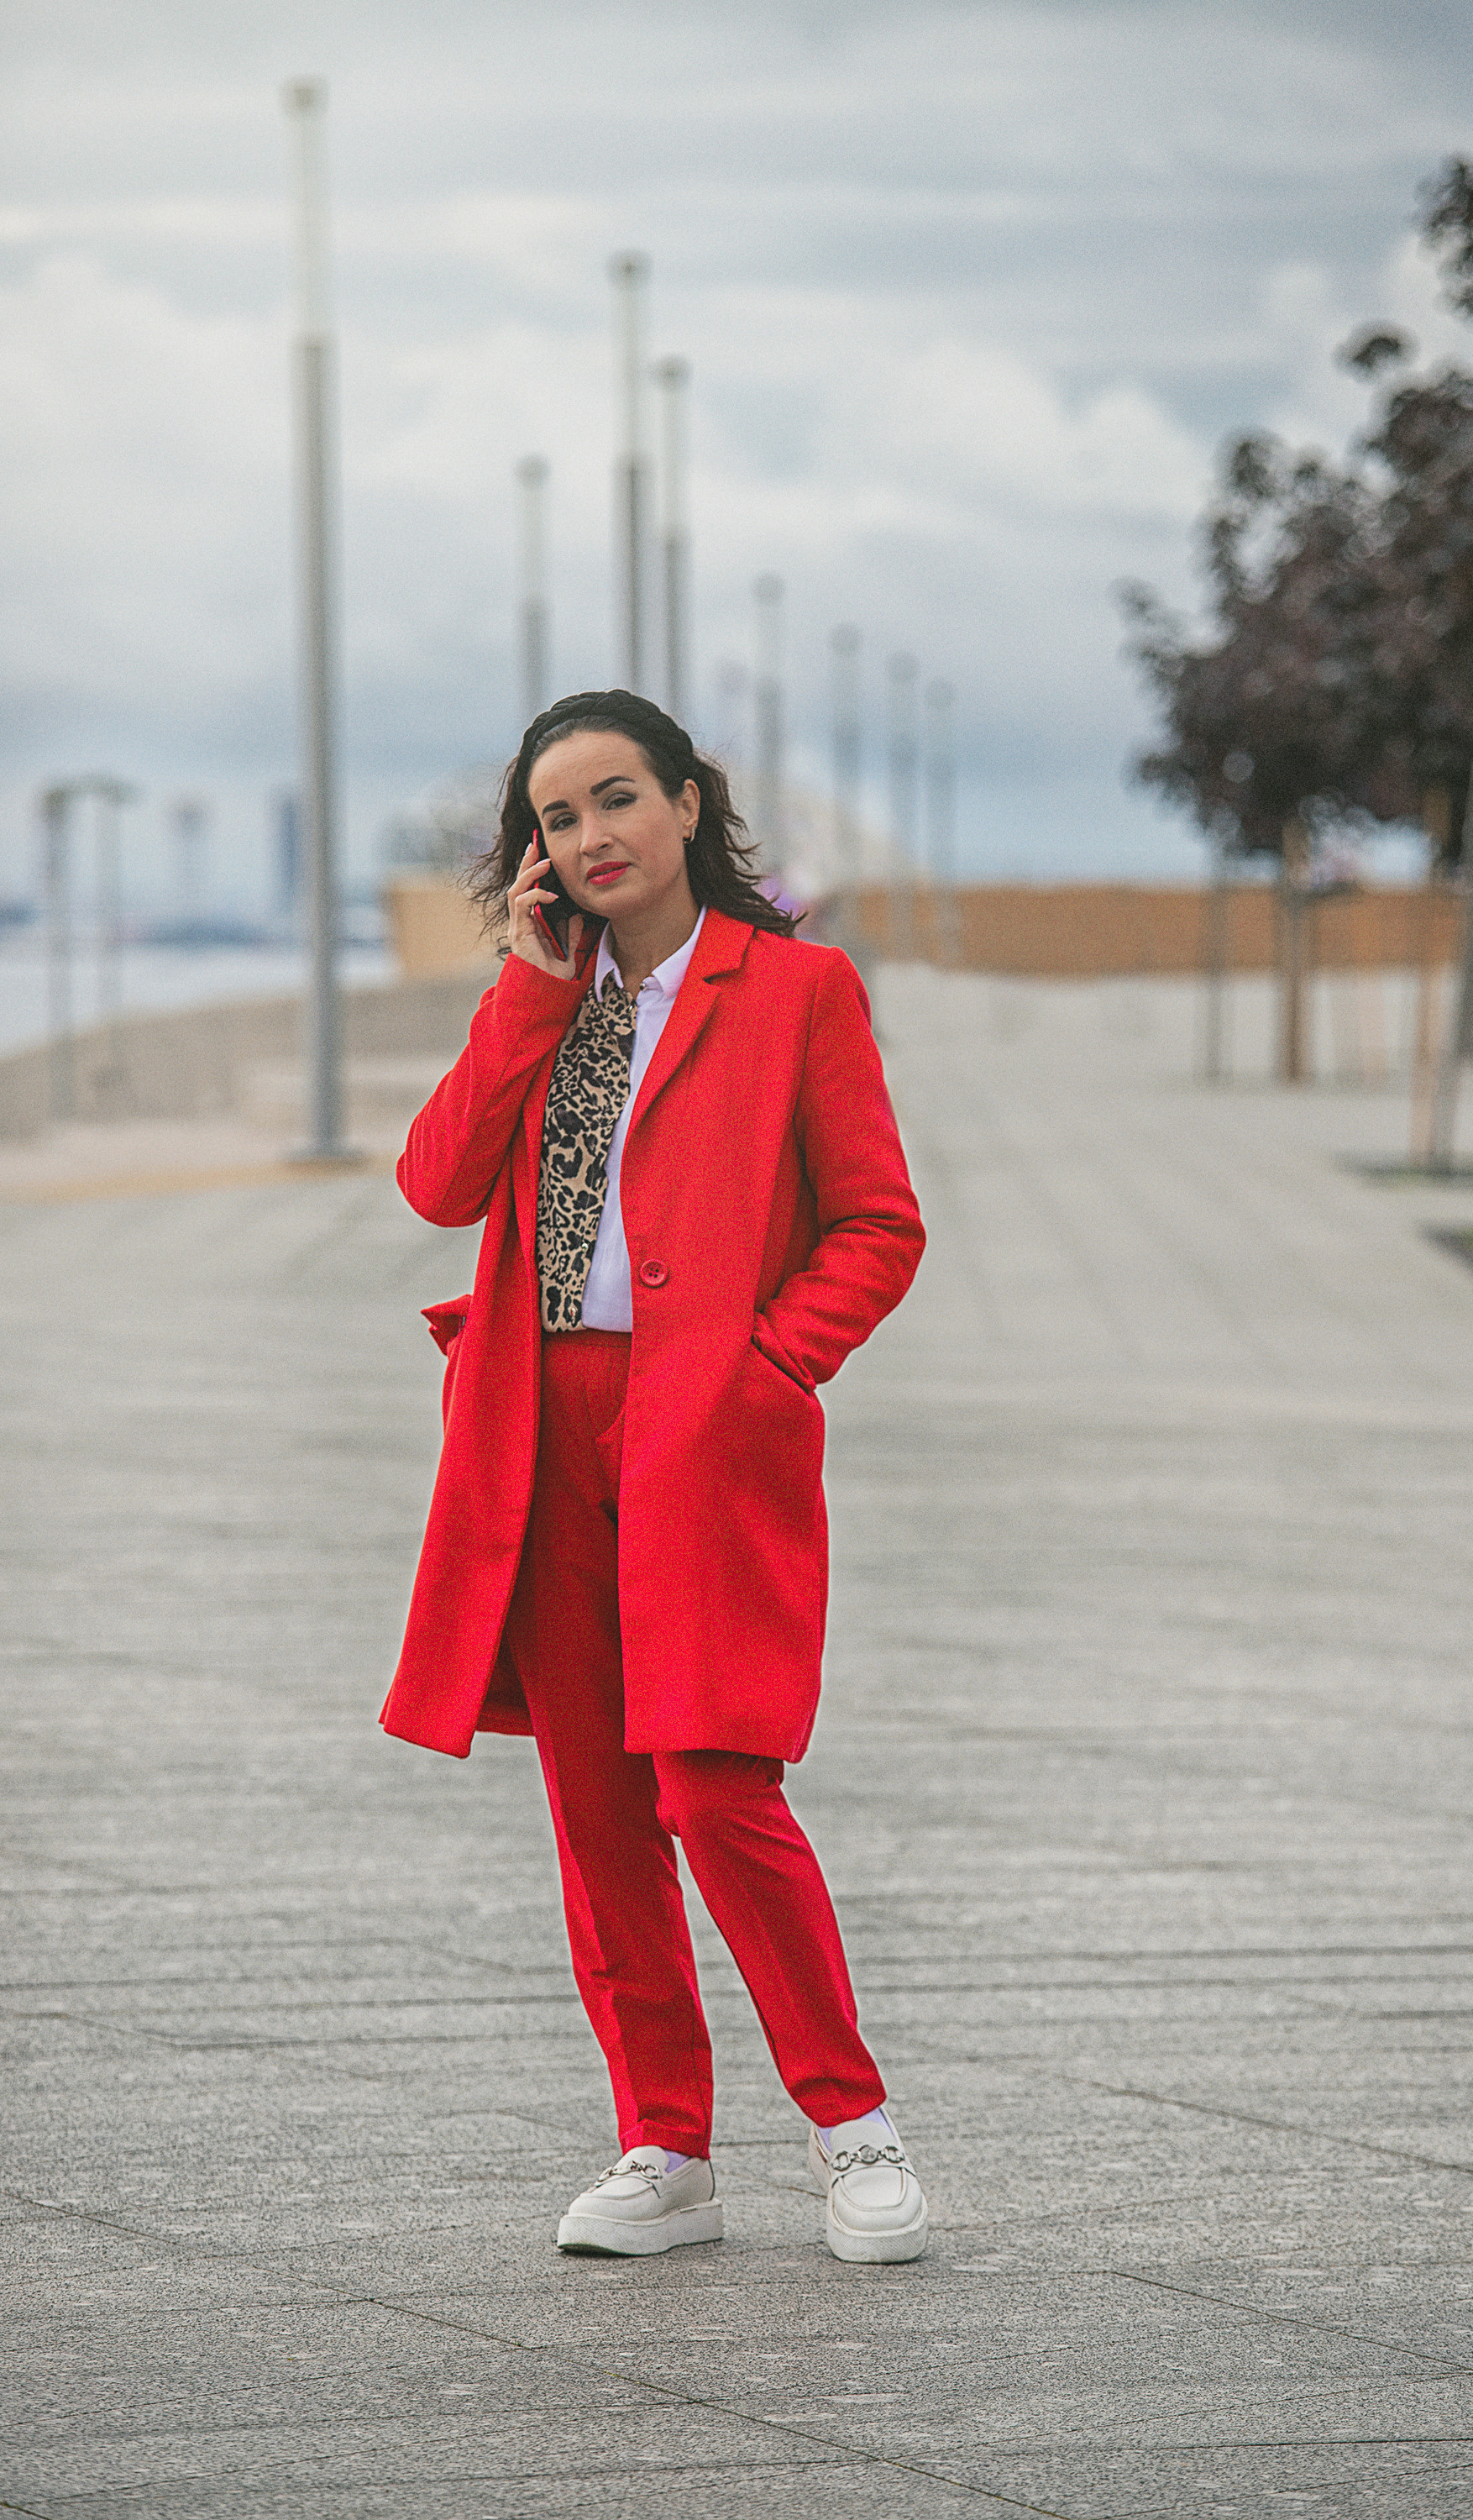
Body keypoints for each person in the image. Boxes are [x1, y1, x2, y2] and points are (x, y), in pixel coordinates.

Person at [380, 689, 929, 2263]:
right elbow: (435, 1184)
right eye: (556, 819)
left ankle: (853, 2128)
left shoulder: (797, 989)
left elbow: (877, 1226)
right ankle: (662, 2144)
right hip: (534, 1428)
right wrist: (524, 999)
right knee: (599, 1807)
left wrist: (771, 1369)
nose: (590, 836)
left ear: (690, 804)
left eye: (616, 798)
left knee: (713, 1780)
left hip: (706, 1426)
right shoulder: (543, 1001)